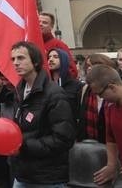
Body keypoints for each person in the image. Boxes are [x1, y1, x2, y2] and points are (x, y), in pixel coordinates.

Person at [8, 41, 75, 187]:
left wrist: (23, 146)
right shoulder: (19, 91)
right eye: (13, 59)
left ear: (36, 61)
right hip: (23, 174)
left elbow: (63, 139)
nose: (15, 63)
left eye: (21, 58)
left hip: (47, 177)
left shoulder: (54, 94)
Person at [47, 47, 83, 121]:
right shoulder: (45, 85)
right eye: (49, 57)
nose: (50, 59)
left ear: (64, 61)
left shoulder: (77, 86)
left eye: (56, 57)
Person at [38, 12, 78, 78]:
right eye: (38, 21)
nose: (40, 24)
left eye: (44, 22)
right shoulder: (30, 43)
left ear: (51, 27)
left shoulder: (59, 45)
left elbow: (72, 71)